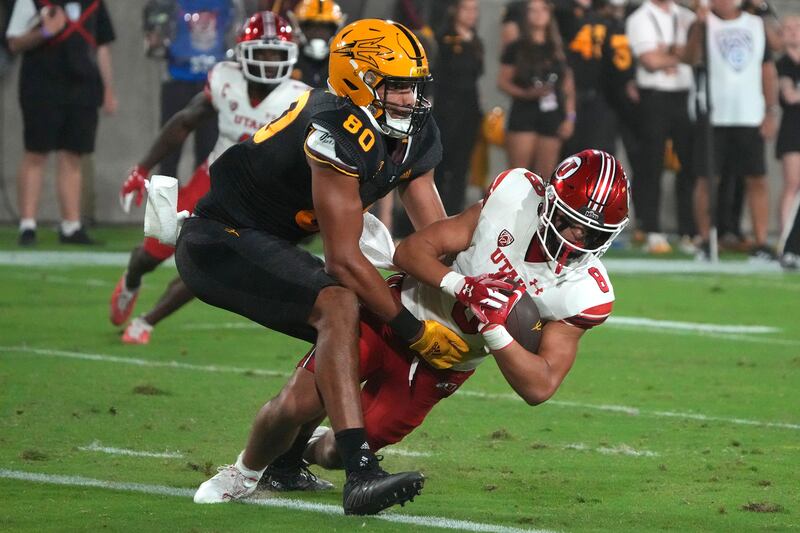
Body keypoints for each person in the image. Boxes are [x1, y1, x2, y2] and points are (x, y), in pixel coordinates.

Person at [194, 150, 629, 490]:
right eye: (572, 223)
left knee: (339, 452)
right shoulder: (515, 198)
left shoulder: (585, 291)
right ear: (549, 201)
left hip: (444, 364)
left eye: (593, 233)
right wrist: (464, 287)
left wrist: (495, 327)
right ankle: (242, 474)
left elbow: (540, 386)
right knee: (299, 403)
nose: (578, 239)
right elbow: (410, 251)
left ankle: (294, 456)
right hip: (396, 312)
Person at [180, 19, 469, 515]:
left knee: (355, 323)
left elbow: (436, 237)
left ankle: (283, 463)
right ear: (357, 81)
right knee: (340, 304)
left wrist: (471, 289)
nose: (410, 100)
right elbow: (344, 260)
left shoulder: (411, 130)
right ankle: (359, 471)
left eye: (414, 87)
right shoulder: (333, 128)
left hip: (274, 240)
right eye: (397, 87)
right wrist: (414, 330)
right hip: (220, 238)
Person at [111, 12, 307, 345]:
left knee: (211, 262)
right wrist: (142, 168)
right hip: (212, 179)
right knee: (153, 251)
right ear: (242, 53)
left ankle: (147, 321)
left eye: (276, 54)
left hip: (258, 199)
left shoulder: (300, 99)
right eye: (262, 53)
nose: (269, 62)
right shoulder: (225, 80)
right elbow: (184, 121)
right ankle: (132, 279)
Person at [6, 0, 116, 246]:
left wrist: (108, 88)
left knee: (74, 154)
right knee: (36, 153)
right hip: (41, 87)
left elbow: (102, 45)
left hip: (83, 87)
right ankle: (27, 225)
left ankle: (71, 225)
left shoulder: (94, 3)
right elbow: (14, 42)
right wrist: (45, 32)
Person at [684, 0, 779, 261]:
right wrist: (699, 27)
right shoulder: (703, 23)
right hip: (713, 115)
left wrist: (770, 109)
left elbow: (767, 68)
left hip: (749, 114)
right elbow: (690, 58)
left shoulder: (755, 24)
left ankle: (761, 241)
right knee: (707, 179)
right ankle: (706, 239)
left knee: (756, 178)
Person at [143, 0, 241, 181]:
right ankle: (165, 198)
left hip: (214, 83)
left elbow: (238, 35)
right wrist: (156, 33)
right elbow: (153, 39)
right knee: (168, 153)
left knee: (209, 154)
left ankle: (203, 199)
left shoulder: (229, 4)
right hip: (178, 80)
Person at [626, 0, 696, 254]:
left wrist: (665, 53)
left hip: (684, 95)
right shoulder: (640, 17)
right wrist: (678, 54)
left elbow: (695, 55)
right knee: (651, 164)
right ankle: (651, 229)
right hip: (654, 96)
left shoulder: (687, 16)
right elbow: (650, 61)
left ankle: (689, 230)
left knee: (689, 164)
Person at [499, 0, 576, 179]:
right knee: (518, 175)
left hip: (552, 114)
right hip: (524, 112)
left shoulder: (558, 48)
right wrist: (526, 94)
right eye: (533, 10)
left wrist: (570, 117)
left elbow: (568, 86)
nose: (538, 14)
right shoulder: (516, 47)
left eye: (543, 10)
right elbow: (503, 81)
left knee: (546, 176)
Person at [432, 0, 483, 216]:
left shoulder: (476, 39)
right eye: (466, 8)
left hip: (468, 110)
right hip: (446, 109)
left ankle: (454, 213)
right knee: (441, 164)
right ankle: (434, 214)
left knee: (462, 166)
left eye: (475, 9)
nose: (471, 14)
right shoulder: (443, 38)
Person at [775, 15, 800, 236]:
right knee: (793, 183)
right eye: (788, 28)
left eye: (797, 27)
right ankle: (786, 235)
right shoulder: (782, 64)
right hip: (792, 129)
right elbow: (790, 95)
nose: (793, 31)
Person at [287, 0, 344, 88]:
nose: (318, 33)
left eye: (325, 27)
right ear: (300, 29)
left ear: (334, 30)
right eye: (311, 27)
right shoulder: (287, 60)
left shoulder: (342, 64)